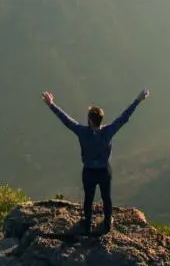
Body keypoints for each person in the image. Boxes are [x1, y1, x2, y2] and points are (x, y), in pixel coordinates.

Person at [41, 88, 150, 234]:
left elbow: (66, 120)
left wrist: (51, 104)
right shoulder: (108, 131)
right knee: (106, 198)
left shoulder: (82, 132)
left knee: (88, 199)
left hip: (89, 172)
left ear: (90, 120)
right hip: (104, 171)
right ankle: (107, 223)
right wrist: (138, 100)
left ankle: (87, 224)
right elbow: (124, 117)